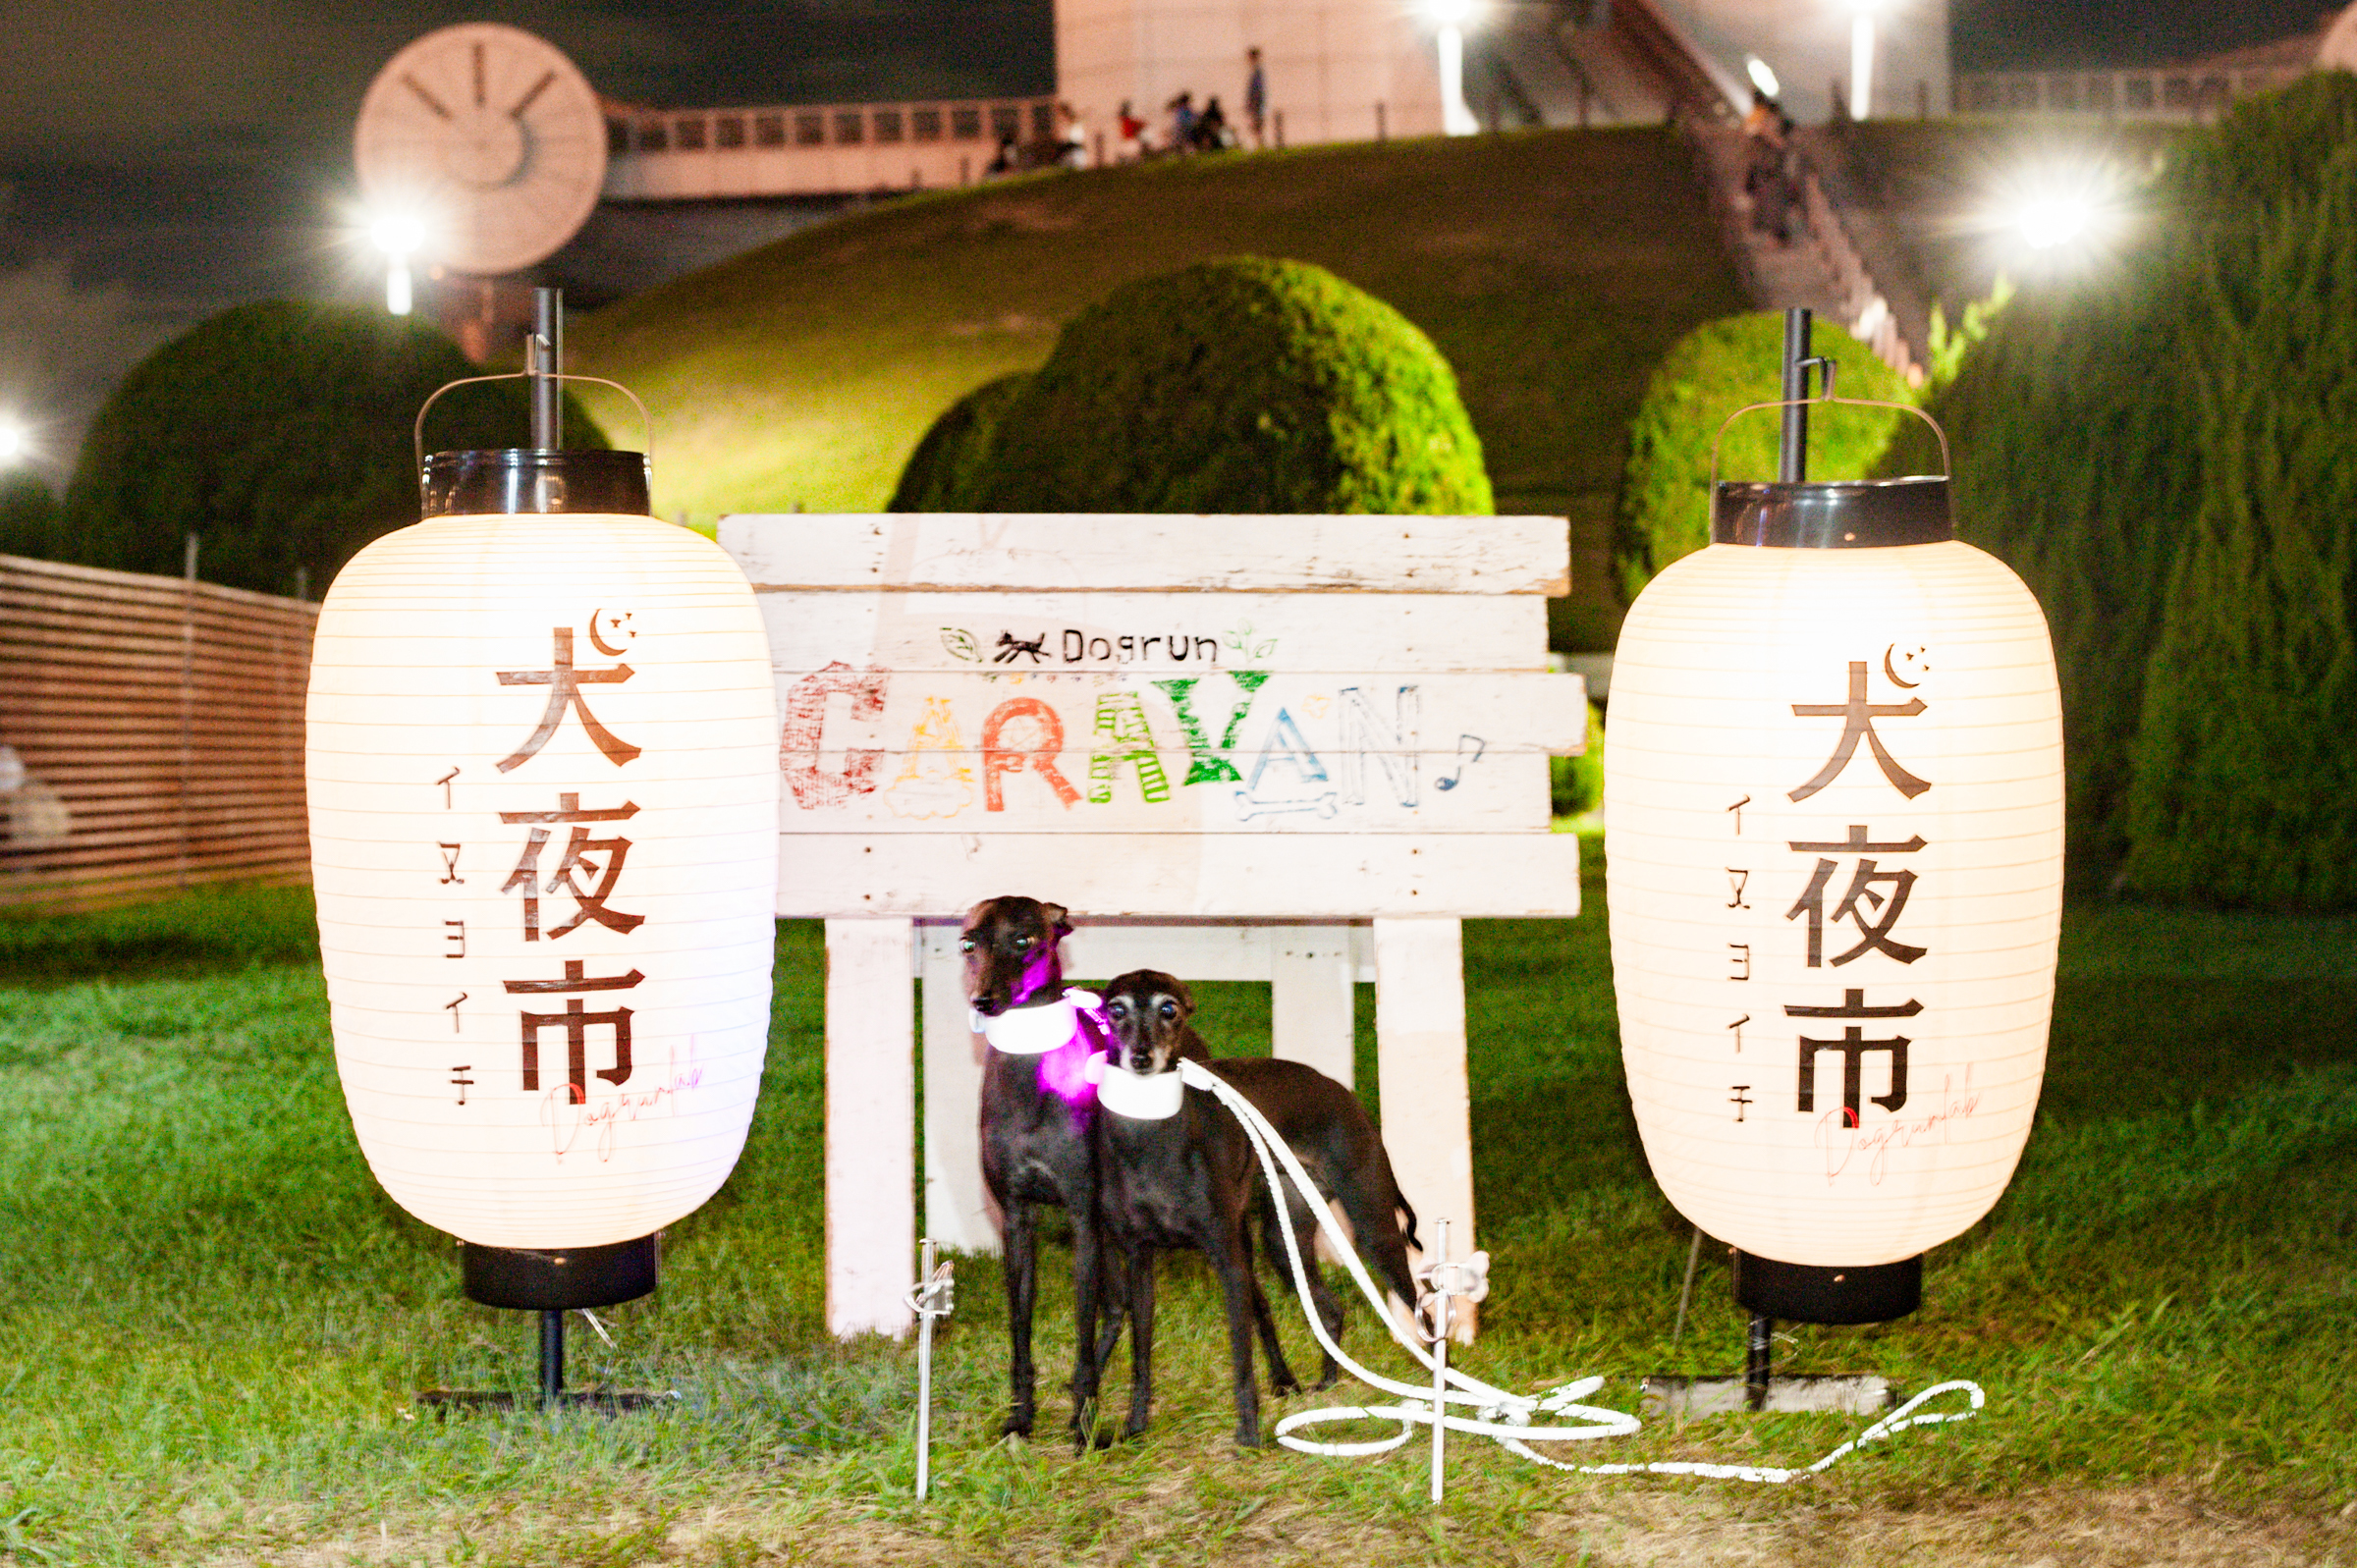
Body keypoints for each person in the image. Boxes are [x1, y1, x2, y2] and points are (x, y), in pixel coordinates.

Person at [1244, 47, 1268, 148]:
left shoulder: (1257, 72)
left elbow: (1257, 90)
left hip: (1257, 105)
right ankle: (1260, 144)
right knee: (1256, 127)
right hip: (1256, 104)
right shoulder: (1256, 71)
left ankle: (1261, 145)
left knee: (1257, 127)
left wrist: (1253, 104)